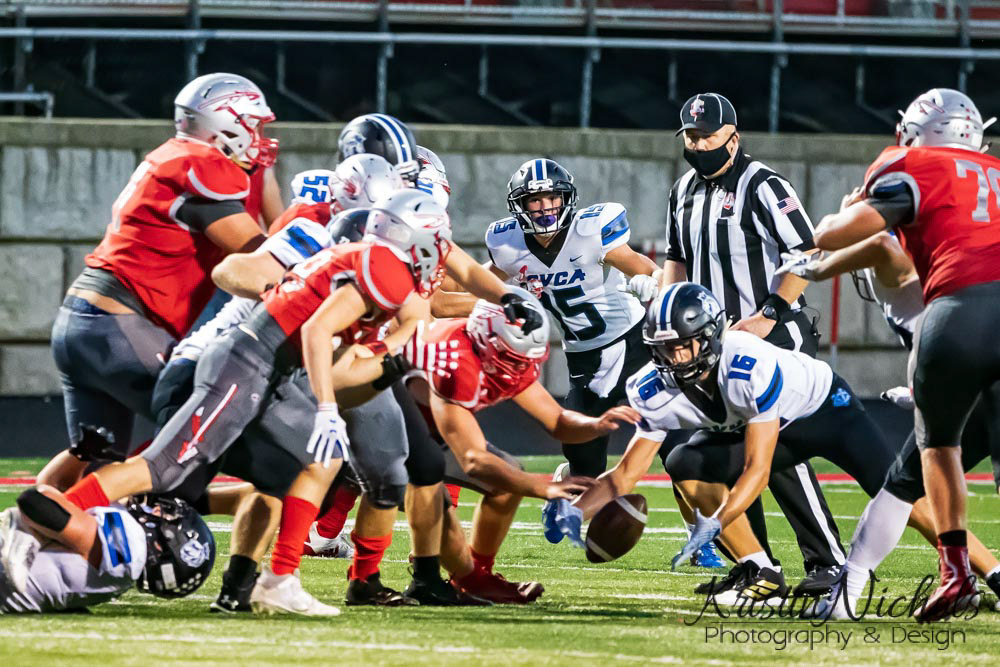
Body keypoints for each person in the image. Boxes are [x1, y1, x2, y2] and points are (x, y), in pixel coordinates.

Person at [553, 283, 941, 606]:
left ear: (708, 337)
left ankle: (968, 568)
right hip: (772, 426)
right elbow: (624, 475)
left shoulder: (743, 362)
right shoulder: (653, 388)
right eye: (663, 348)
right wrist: (573, 512)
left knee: (902, 498)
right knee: (685, 461)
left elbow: (758, 470)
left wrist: (716, 522)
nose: (673, 358)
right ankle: (761, 572)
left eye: (682, 345)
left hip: (826, 412)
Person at [631, 92, 847, 594]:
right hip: (714, 345)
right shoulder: (682, 189)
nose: (698, 144)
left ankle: (829, 562)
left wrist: (769, 313)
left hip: (777, 337)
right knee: (719, 453)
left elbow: (807, 251)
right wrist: (667, 312)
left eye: (707, 135)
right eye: (691, 135)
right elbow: (677, 256)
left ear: (734, 136)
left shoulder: (763, 184)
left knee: (778, 449)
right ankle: (758, 565)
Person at [810, 87, 1000, 622]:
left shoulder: (911, 164)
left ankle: (955, 572)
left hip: (959, 317)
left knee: (932, 452)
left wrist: (843, 215)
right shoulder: (992, 173)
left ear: (915, 133)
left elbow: (837, 236)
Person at [41, 72, 278, 490]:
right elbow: (261, 256)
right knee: (204, 419)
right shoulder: (202, 166)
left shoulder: (175, 155)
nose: (260, 138)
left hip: (82, 323)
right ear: (227, 123)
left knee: (94, 457)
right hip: (120, 327)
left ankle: (28, 522)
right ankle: (163, 515)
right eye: (253, 126)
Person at [778, 229, 1000, 619]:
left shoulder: (902, 250)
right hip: (973, 378)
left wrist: (816, 268)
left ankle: (847, 597)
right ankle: (957, 578)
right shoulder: (955, 260)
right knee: (915, 482)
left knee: (900, 487)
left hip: (980, 383)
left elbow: (880, 242)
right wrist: (920, 392)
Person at [402, 290, 637, 602]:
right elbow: (473, 459)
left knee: (507, 475)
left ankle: (478, 576)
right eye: (512, 360)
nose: (518, 368)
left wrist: (594, 425)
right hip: (390, 435)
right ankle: (409, 579)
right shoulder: (454, 362)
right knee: (438, 502)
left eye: (524, 360)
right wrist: (542, 488)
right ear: (485, 341)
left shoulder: (502, 350)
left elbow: (557, 421)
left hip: (430, 434)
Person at [0, 488, 214, 612]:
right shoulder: (120, 579)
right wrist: (80, 455)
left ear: (162, 546)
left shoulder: (131, 544)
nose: (156, 509)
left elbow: (35, 502)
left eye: (166, 517)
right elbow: (62, 492)